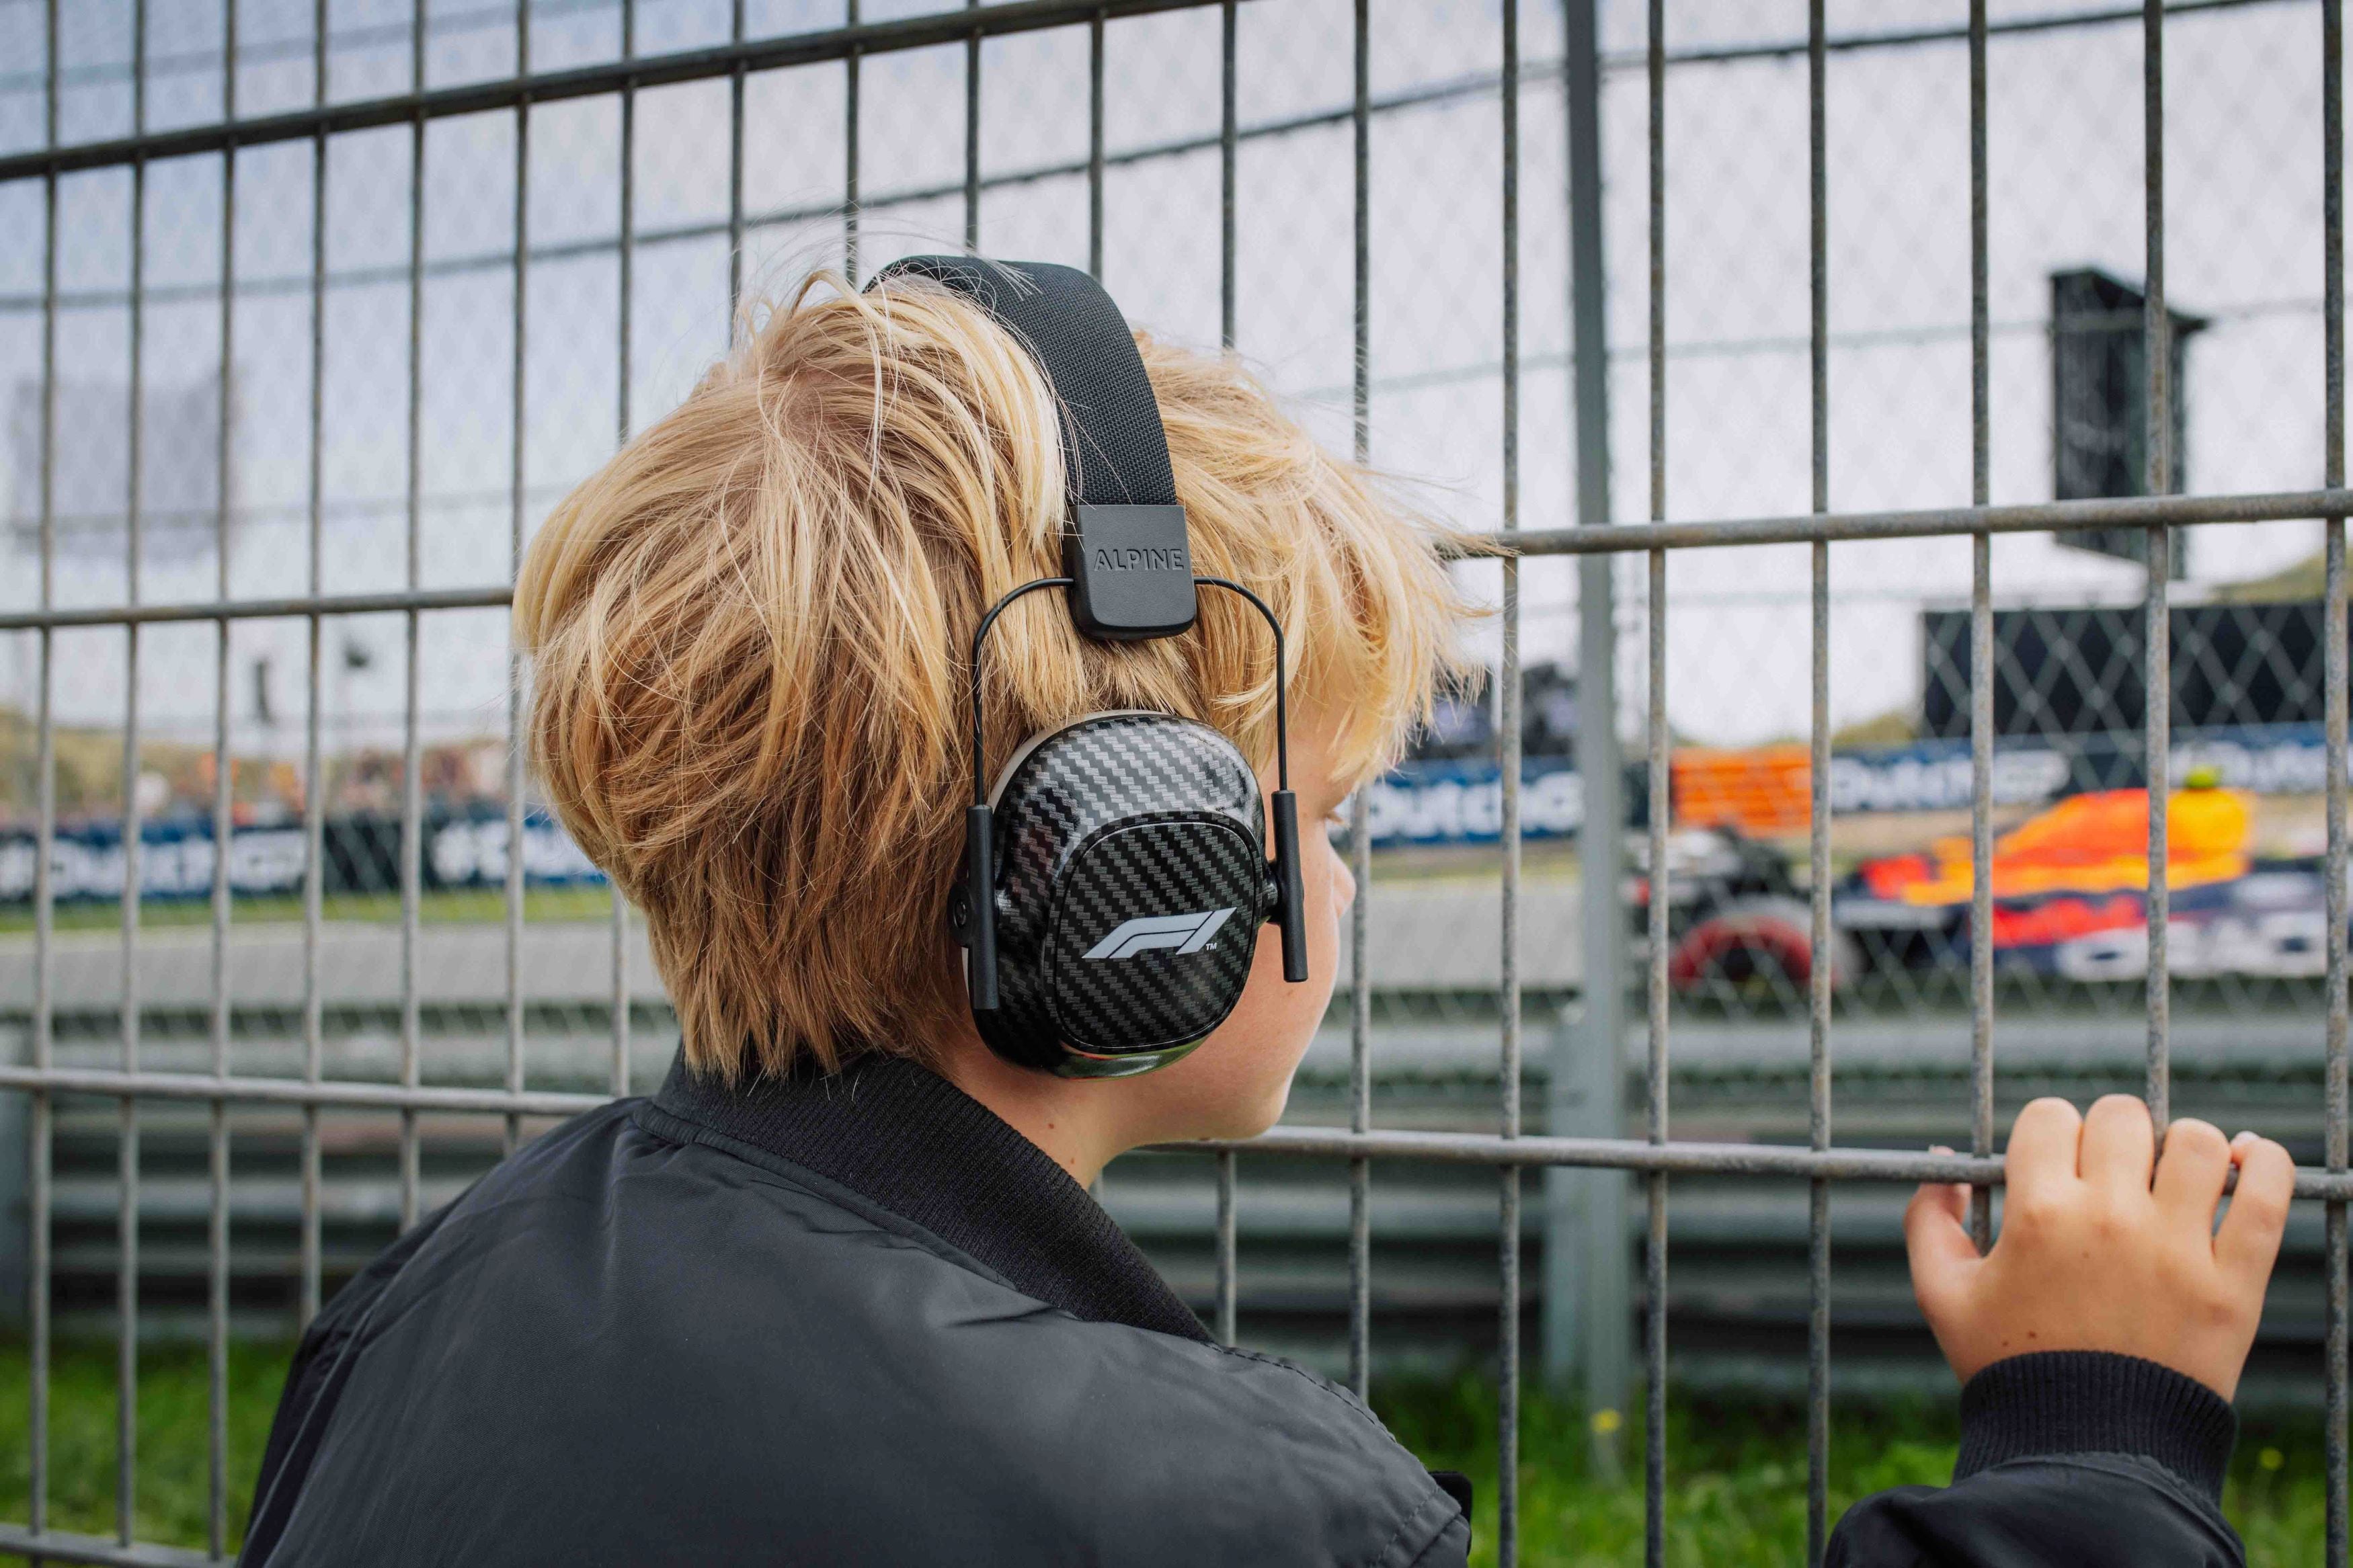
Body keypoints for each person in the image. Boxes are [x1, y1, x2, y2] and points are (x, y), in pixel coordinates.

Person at [238, 261, 2298, 1567]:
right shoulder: (1228, 1515)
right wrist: (2090, 1454)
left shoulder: (435, 1297)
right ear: (1123, 863)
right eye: (1322, 808)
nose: (1334, 873)